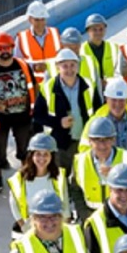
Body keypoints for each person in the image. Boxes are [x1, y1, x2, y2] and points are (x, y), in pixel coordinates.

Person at [0, 32, 37, 193]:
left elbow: (33, 86)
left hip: (22, 115)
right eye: (0, 48)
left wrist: (33, 107)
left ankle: (25, 172)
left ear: (12, 48)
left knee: (24, 145)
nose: (4, 51)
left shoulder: (23, 66)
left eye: (7, 47)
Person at [33, 48, 101, 176]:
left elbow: (99, 111)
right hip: (60, 142)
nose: (69, 70)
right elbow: (38, 115)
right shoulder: (48, 88)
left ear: (78, 66)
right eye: (65, 66)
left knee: (83, 173)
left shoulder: (89, 84)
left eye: (72, 65)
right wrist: (59, 122)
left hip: (85, 139)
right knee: (61, 174)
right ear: (58, 67)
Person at [71, 118, 127, 222]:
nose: (102, 145)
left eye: (106, 139)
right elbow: (76, 191)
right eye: (97, 140)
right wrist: (85, 216)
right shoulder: (79, 161)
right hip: (91, 217)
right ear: (90, 141)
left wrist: (119, 176)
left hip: (121, 217)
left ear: (113, 140)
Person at [80, 79, 127, 174]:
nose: (118, 104)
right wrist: (100, 162)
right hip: (104, 174)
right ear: (106, 99)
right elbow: (84, 147)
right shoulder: (94, 122)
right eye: (114, 100)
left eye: (121, 100)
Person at [9, 133, 70, 236]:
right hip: (29, 229)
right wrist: (25, 228)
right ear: (31, 155)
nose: (42, 158)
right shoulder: (19, 179)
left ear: (52, 156)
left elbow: (65, 205)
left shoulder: (59, 176)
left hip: (53, 228)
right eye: (38, 154)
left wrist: (63, 231)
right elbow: (14, 206)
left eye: (46, 154)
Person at [15, 0, 61, 80]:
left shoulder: (55, 33)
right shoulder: (21, 38)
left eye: (42, 19)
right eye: (36, 20)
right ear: (30, 19)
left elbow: (62, 57)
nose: (40, 23)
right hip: (34, 85)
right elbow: (17, 64)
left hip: (54, 83)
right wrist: (34, 67)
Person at [82, 13, 121, 100]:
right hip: (90, 92)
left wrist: (109, 81)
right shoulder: (81, 50)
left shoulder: (114, 48)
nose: (98, 32)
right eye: (94, 30)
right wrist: (98, 82)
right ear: (88, 31)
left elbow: (118, 70)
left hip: (111, 91)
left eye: (101, 29)